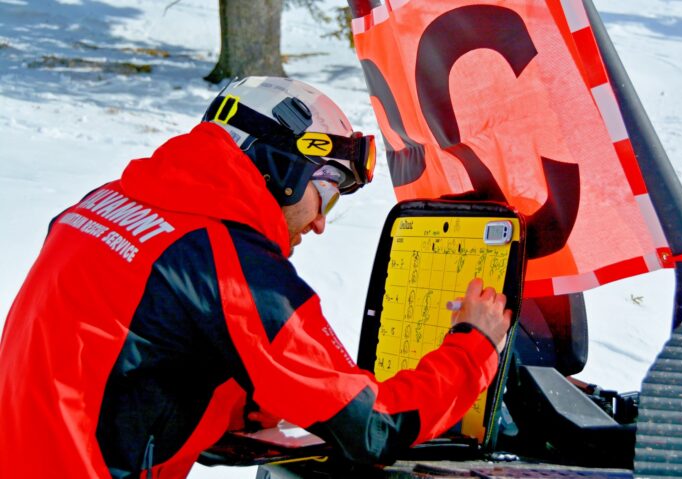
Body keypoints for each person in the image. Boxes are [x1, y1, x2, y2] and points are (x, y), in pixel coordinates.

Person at [0, 76, 511, 478]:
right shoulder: (227, 263)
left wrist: (254, 402)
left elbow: (138, 358)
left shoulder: (105, 204)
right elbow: (375, 426)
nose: (319, 221)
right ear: (282, 168)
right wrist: (474, 347)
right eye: (327, 191)